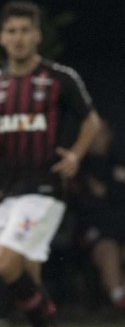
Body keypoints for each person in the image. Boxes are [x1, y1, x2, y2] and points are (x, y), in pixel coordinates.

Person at [0, 0, 101, 327]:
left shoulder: (59, 78)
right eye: (12, 31)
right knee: (29, 277)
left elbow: (91, 120)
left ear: (38, 35)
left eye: (25, 30)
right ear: (2, 38)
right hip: (7, 191)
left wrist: (74, 155)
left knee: (5, 263)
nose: (18, 38)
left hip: (43, 188)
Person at [69, 119, 125, 309]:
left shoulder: (117, 162)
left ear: (109, 135)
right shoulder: (79, 167)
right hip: (92, 233)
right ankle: (119, 299)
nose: (94, 138)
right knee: (109, 249)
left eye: (99, 133)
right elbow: (80, 202)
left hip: (119, 230)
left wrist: (107, 191)